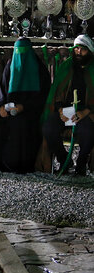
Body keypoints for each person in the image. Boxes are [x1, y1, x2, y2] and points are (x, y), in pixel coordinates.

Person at [0, 38, 50, 173]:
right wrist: (1, 107)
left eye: (24, 51)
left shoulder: (39, 69)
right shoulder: (11, 65)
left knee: (20, 123)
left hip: (31, 110)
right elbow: (2, 91)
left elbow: (43, 97)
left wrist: (24, 107)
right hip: (9, 107)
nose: (20, 54)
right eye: (18, 51)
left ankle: (17, 165)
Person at [42, 34, 94, 176]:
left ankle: (81, 164)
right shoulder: (67, 66)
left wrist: (85, 112)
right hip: (66, 111)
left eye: (82, 49)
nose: (78, 52)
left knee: (88, 132)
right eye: (76, 49)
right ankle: (64, 160)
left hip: (87, 113)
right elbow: (57, 92)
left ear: (89, 51)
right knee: (48, 128)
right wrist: (60, 110)